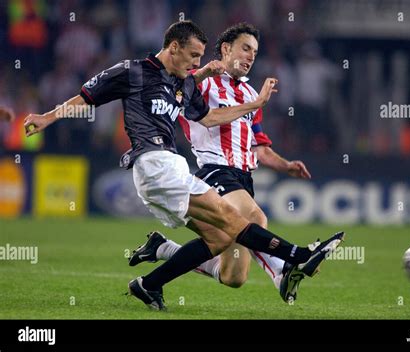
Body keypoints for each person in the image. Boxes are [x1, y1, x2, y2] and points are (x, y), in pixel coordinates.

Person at [25, 20, 345, 311]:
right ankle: (299, 256)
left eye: (200, 58)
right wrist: (47, 117)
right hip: (155, 163)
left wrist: (255, 104)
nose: (196, 63)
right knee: (236, 220)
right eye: (193, 55)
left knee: (219, 239)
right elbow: (87, 96)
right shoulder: (133, 71)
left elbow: (210, 117)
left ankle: (149, 284)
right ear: (173, 47)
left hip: (165, 171)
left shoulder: (183, 85)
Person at [129, 23, 320, 304]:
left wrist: (286, 165)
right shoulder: (198, 81)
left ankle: (159, 257)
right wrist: (256, 104)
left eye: (255, 51)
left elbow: (260, 148)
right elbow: (202, 116)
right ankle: (285, 269)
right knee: (256, 218)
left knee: (234, 276)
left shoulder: (250, 93)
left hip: (244, 179)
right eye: (245, 48)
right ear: (226, 49)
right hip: (215, 171)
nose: (251, 56)